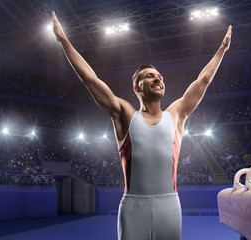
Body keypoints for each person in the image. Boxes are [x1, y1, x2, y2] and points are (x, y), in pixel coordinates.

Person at [52, 11, 232, 240]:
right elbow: (90, 79)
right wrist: (62, 40)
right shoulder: (125, 115)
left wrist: (222, 50)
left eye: (160, 76)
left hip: (170, 205)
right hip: (133, 207)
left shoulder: (176, 115)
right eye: (150, 76)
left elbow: (203, 81)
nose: (158, 79)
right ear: (136, 88)